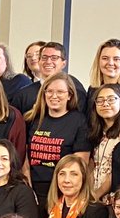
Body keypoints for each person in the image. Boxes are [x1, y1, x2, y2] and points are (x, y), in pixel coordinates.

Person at [23, 73, 90, 202]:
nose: (54, 96)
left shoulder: (79, 121)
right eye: (49, 91)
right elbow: (23, 155)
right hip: (33, 188)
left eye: (60, 92)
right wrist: (28, 186)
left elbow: (81, 163)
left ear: (69, 95)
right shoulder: (32, 119)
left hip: (62, 190)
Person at [40, 155, 111, 218]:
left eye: (74, 174)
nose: (67, 180)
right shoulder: (49, 208)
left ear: (84, 178)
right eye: (62, 174)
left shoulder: (96, 212)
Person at [10, 42, 88, 114]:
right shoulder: (23, 95)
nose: (48, 61)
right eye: (44, 57)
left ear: (64, 64)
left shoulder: (75, 88)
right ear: (39, 61)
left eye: (54, 58)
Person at [89, 84, 120, 201]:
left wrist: (96, 195)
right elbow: (92, 164)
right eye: (100, 101)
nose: (105, 104)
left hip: (116, 198)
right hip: (95, 196)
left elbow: (117, 169)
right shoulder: (96, 130)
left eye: (111, 99)